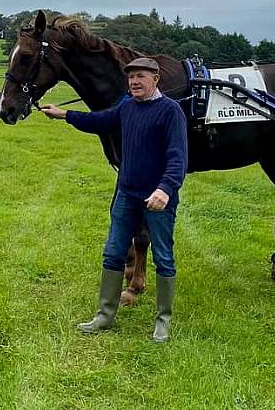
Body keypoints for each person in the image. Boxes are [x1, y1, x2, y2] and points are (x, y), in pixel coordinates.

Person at [41, 57, 187, 343]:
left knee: (164, 258)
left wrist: (166, 188)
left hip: (157, 199)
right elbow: (99, 121)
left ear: (155, 79)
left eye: (141, 76)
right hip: (127, 195)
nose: (134, 82)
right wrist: (64, 115)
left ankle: (162, 321)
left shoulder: (171, 111)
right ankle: (105, 315)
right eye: (131, 77)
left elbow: (178, 157)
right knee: (113, 253)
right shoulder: (127, 107)